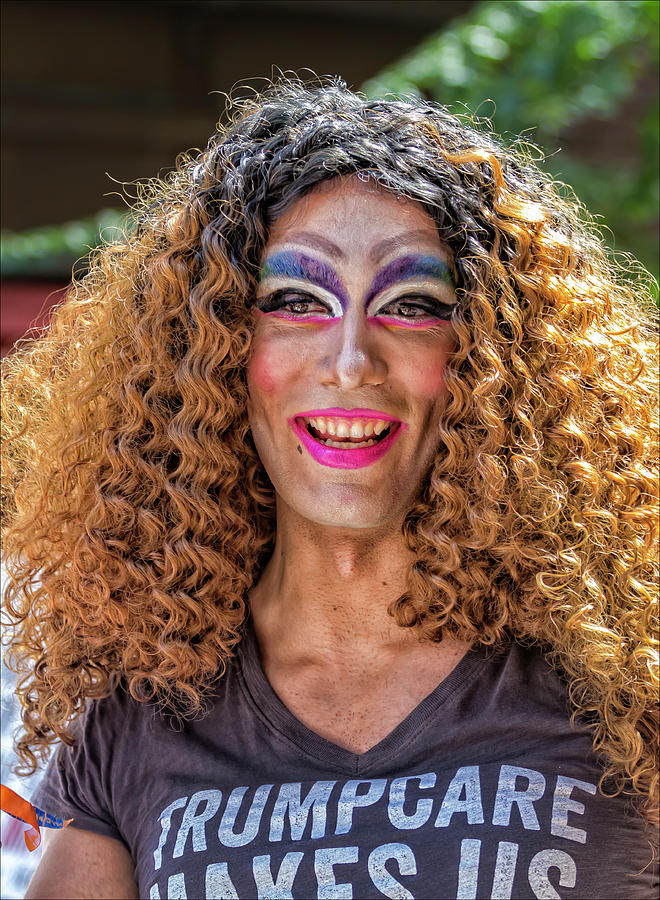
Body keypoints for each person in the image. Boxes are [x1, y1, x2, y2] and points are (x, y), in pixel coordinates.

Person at [2, 77, 657, 900]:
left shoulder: (628, 695)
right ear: (212, 356)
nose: (351, 361)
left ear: (492, 364)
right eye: (296, 301)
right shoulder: (136, 723)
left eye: (413, 303)